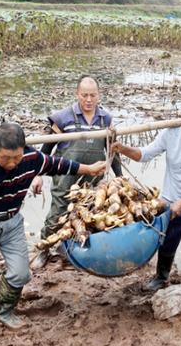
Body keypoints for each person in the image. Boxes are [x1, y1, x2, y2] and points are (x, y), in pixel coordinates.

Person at [0, 122, 106, 329]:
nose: (11, 163)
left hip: (13, 223)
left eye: (16, 158)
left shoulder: (31, 158)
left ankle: (5, 309)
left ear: (24, 150)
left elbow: (57, 164)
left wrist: (88, 169)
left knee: (21, 272)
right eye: (5, 158)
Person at [111, 100, 181, 299]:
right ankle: (161, 277)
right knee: (167, 242)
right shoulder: (171, 133)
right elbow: (145, 155)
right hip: (171, 199)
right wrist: (122, 149)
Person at [29, 76, 122, 269]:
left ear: (99, 95)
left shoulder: (106, 119)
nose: (88, 100)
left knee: (89, 212)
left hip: (93, 177)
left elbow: (113, 151)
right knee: (59, 211)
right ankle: (44, 249)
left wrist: (119, 177)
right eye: (84, 95)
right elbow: (46, 149)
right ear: (77, 94)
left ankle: (76, 248)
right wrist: (36, 175)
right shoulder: (63, 118)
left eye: (92, 95)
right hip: (66, 176)